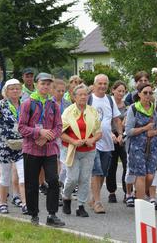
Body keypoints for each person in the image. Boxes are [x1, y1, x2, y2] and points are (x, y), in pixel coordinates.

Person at [19, 72, 65, 227]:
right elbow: (21, 127)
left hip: (50, 149)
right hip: (31, 149)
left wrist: (47, 136)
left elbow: (59, 126)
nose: (45, 87)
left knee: (53, 180)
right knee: (31, 183)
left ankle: (52, 214)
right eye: (42, 84)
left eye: (48, 84)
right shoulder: (28, 103)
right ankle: (33, 214)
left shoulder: (54, 105)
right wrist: (38, 132)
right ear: (37, 85)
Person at [0, 79, 27, 214]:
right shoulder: (1, 104)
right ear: (6, 91)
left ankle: (25, 203)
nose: (15, 91)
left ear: (21, 91)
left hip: (21, 144)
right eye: (11, 88)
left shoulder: (24, 105)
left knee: (23, 175)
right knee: (5, 176)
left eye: (17, 88)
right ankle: (3, 203)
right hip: (4, 145)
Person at [61, 84, 102, 217]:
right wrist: (73, 141)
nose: (83, 97)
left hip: (89, 150)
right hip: (72, 149)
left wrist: (93, 139)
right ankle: (66, 197)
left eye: (86, 94)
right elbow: (60, 133)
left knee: (84, 179)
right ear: (74, 97)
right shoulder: (68, 111)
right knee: (72, 178)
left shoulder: (92, 111)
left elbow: (99, 132)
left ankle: (81, 206)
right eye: (80, 94)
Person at [88, 74, 123, 214]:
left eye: (105, 84)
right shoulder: (89, 98)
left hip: (108, 143)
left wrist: (120, 134)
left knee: (102, 173)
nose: (102, 86)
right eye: (100, 83)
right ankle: (97, 202)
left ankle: (94, 198)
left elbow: (116, 119)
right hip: (93, 143)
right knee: (96, 172)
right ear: (95, 84)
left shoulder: (110, 100)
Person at [125, 83, 157, 202]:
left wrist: (155, 132)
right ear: (139, 94)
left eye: (150, 93)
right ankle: (140, 203)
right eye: (145, 92)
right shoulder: (134, 108)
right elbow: (129, 131)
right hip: (137, 146)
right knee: (140, 174)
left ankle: (140, 193)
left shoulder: (156, 108)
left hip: (153, 146)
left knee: (150, 175)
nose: (148, 95)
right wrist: (144, 129)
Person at [107, 80, 128, 203]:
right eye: (118, 91)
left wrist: (122, 134)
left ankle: (127, 192)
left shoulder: (127, 106)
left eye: (123, 91)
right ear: (113, 90)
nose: (121, 93)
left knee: (126, 164)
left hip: (123, 136)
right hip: (110, 135)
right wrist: (111, 134)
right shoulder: (108, 104)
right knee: (111, 165)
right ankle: (111, 191)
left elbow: (128, 122)